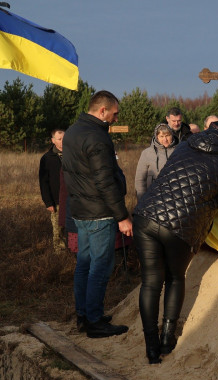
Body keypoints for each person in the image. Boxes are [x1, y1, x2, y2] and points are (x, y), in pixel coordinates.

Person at [133, 121, 218, 363]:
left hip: (146, 215)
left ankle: (151, 347)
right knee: (175, 278)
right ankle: (167, 341)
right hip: (179, 225)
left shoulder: (183, 147)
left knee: (150, 283)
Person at [62, 90, 132, 338]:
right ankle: (94, 322)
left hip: (80, 210)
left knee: (84, 264)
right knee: (100, 267)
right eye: (114, 114)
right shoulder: (97, 137)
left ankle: (83, 316)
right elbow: (105, 182)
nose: (116, 119)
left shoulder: (73, 131)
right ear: (102, 110)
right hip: (99, 213)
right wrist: (122, 216)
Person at [39, 128, 66, 252]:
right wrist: (48, 202)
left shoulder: (74, 154)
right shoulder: (47, 158)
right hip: (56, 201)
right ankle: (60, 253)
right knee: (58, 229)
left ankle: (74, 252)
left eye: (64, 139)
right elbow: (43, 183)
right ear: (53, 140)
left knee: (74, 229)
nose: (62, 141)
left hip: (74, 199)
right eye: (59, 139)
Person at [134, 123, 178, 200]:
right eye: (162, 136)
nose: (165, 139)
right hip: (153, 197)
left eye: (167, 135)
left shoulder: (179, 151)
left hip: (175, 197)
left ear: (172, 135)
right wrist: (141, 199)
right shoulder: (147, 153)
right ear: (157, 137)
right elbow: (140, 179)